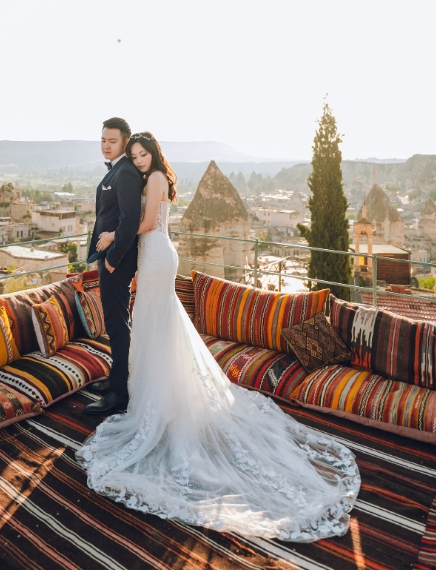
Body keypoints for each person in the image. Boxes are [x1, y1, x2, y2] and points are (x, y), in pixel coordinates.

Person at [78, 131, 360, 541]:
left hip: (155, 253)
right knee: (156, 321)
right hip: (153, 254)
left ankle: (161, 404)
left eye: (142, 154)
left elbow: (143, 222)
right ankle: (159, 395)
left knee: (155, 318)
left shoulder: (154, 179)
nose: (138, 161)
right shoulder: (148, 176)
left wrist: (109, 239)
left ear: (153, 154)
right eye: (134, 156)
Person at [83, 117, 142, 416]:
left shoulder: (127, 172)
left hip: (117, 260)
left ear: (125, 142)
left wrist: (112, 258)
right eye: (103, 140)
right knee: (115, 322)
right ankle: (115, 378)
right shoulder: (117, 170)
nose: (106, 145)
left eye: (112, 141)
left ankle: (119, 392)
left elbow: (130, 220)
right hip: (108, 257)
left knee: (118, 323)